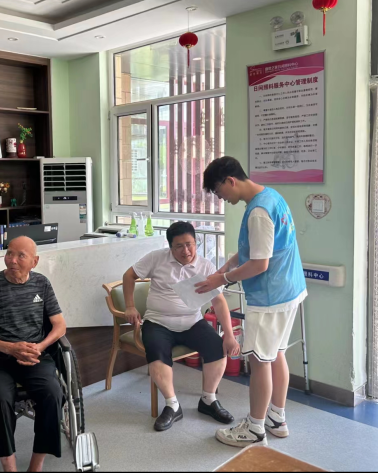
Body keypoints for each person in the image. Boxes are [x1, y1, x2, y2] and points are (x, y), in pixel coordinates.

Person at [196, 156, 307, 448]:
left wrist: (222, 279)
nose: (220, 198)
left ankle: (255, 428)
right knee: (276, 354)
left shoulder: (258, 211)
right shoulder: (270, 197)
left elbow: (259, 264)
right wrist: (225, 267)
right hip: (289, 290)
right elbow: (253, 249)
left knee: (259, 361)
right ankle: (276, 419)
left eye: (219, 191)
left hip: (270, 297)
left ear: (231, 180)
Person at [123, 221, 241, 432]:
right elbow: (129, 276)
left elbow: (218, 301)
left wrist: (229, 336)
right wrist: (130, 306)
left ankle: (208, 400)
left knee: (217, 346)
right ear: (170, 247)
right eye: (179, 246)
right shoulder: (156, 258)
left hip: (192, 321)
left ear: (196, 243)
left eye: (189, 244)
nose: (186, 251)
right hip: (158, 322)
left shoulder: (206, 266)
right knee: (157, 354)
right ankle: (172, 405)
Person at [0, 236, 67, 473]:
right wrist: (9, 348)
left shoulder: (42, 283)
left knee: (53, 393)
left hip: (34, 355)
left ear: (34, 261)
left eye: (21, 255)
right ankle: (9, 467)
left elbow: (60, 325)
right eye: (9, 253)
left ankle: (36, 466)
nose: (12, 260)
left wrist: (40, 347)